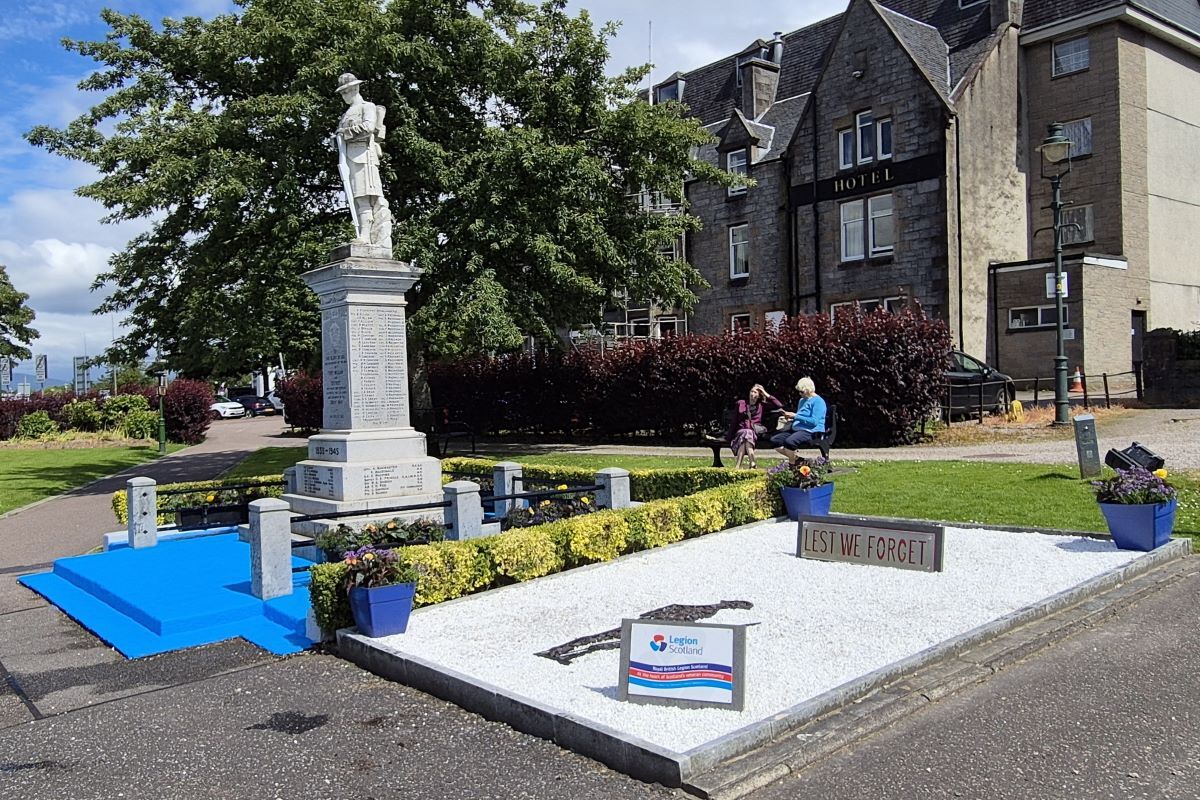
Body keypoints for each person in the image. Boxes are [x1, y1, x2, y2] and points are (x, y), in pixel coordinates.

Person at [335, 73, 389, 248]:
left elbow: (368, 127)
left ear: (355, 89)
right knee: (356, 198)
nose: (344, 96)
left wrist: (345, 133)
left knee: (363, 196)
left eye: (346, 92)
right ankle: (362, 233)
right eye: (342, 93)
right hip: (348, 157)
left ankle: (366, 235)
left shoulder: (367, 107)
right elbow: (340, 134)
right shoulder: (346, 114)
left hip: (363, 156)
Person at [771, 377, 826, 464]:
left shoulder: (818, 401)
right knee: (775, 440)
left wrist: (796, 416)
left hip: (811, 431)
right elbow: (800, 416)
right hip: (797, 429)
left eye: (802, 392)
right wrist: (790, 417)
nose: (800, 394)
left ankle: (792, 465)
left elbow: (814, 421)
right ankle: (799, 460)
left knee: (789, 442)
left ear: (808, 390)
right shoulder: (802, 400)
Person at [729, 384, 782, 469]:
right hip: (741, 431)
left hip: (754, 433)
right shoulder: (741, 403)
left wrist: (765, 393)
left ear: (758, 395)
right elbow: (734, 421)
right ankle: (752, 462)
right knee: (746, 433)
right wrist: (728, 436)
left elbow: (778, 405)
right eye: (751, 391)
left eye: (755, 392)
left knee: (746, 436)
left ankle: (737, 466)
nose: (752, 394)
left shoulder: (761, 405)